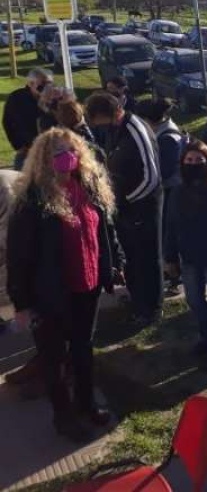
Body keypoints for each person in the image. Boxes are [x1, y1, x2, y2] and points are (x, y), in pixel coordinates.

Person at [7, 128, 124, 443]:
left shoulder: (89, 186)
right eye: (57, 152)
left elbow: (105, 230)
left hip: (87, 287)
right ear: (44, 160)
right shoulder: (32, 200)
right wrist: (21, 304)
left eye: (69, 150)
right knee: (54, 359)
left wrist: (115, 264)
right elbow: (19, 258)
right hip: (51, 295)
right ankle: (64, 417)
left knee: (83, 350)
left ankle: (86, 404)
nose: (65, 157)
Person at [85, 91, 163, 326]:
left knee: (147, 259)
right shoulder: (113, 130)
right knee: (131, 258)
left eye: (95, 118)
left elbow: (152, 176)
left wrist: (129, 200)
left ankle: (151, 308)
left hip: (143, 207)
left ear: (107, 114)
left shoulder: (135, 130)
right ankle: (138, 301)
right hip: (124, 208)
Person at [163, 141, 207, 370]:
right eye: (189, 160)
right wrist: (170, 257)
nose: (193, 164)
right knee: (194, 300)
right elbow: (171, 226)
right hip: (189, 258)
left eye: (199, 160)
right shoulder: (177, 192)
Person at [135, 98, 185, 295]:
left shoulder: (168, 137)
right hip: (166, 190)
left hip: (171, 192)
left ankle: (174, 277)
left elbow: (164, 169)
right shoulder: (161, 131)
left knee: (169, 234)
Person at [3, 68, 52, 170]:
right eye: (42, 84)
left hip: (50, 152)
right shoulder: (16, 98)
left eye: (49, 84)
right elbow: (7, 122)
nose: (46, 87)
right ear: (30, 83)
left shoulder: (53, 99)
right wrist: (18, 146)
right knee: (22, 182)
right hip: (26, 152)